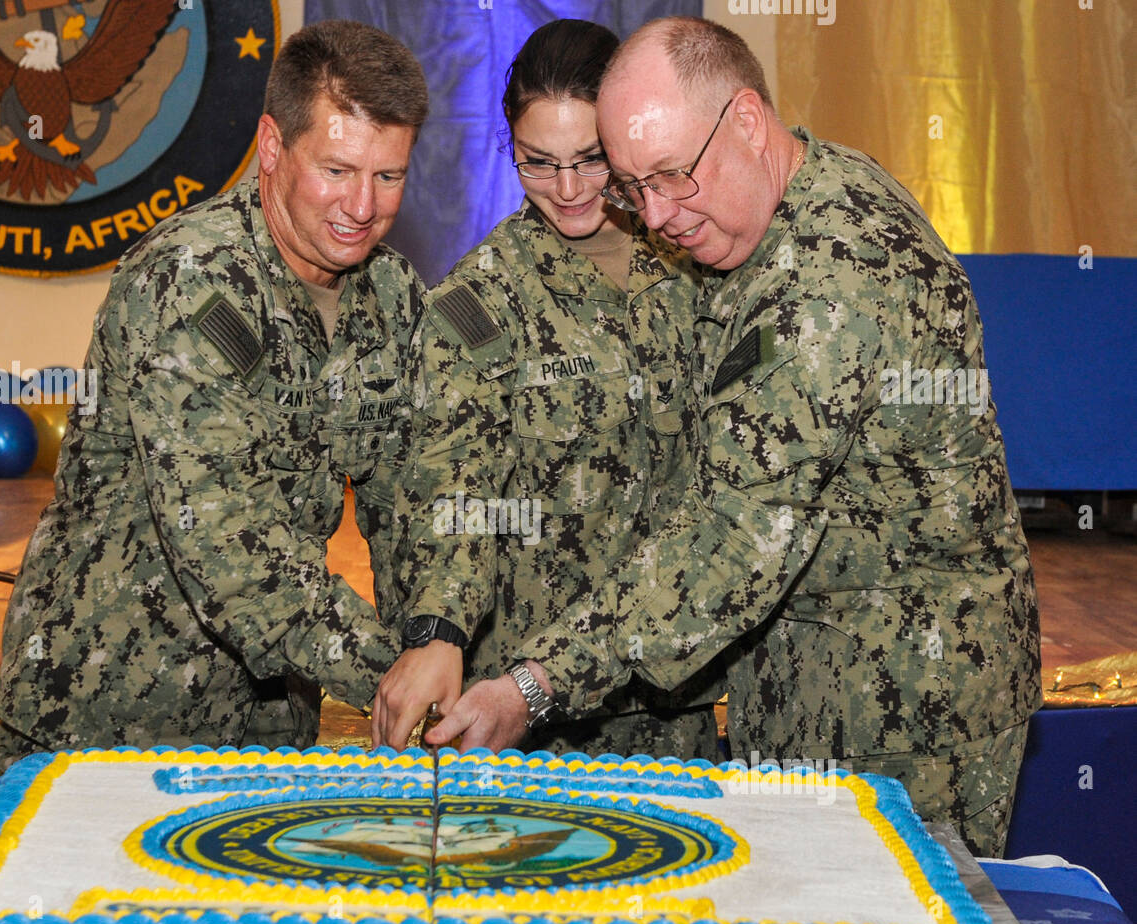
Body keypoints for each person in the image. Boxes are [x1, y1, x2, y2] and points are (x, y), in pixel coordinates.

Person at [426, 17, 1041, 858]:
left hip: (901, 711)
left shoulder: (831, 283)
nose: (657, 215)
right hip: (814, 685)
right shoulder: (799, 190)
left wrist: (533, 687)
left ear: (748, 123)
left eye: (674, 178)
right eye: (634, 186)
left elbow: (731, 543)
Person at [0, 21, 429, 772]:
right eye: (338, 170)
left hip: (266, 726)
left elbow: (412, 501)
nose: (363, 205)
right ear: (271, 147)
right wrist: (399, 677)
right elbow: (232, 550)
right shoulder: (191, 280)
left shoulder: (390, 295)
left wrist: (437, 639)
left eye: (389, 177)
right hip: (104, 723)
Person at [371, 19, 721, 757]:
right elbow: (453, 489)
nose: (567, 190)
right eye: (537, 162)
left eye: (592, 160)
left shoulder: (696, 262)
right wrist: (439, 630)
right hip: (532, 713)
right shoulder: (481, 302)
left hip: (675, 693)